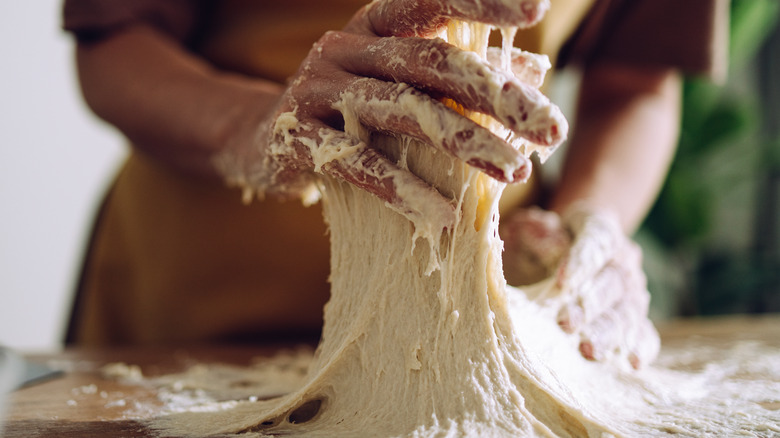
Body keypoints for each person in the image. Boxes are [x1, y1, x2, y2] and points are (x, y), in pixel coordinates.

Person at [62, 0, 726, 369]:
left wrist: (591, 219)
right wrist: (255, 127)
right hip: (193, 304)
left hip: (471, 312)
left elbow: (637, 80)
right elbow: (114, 38)